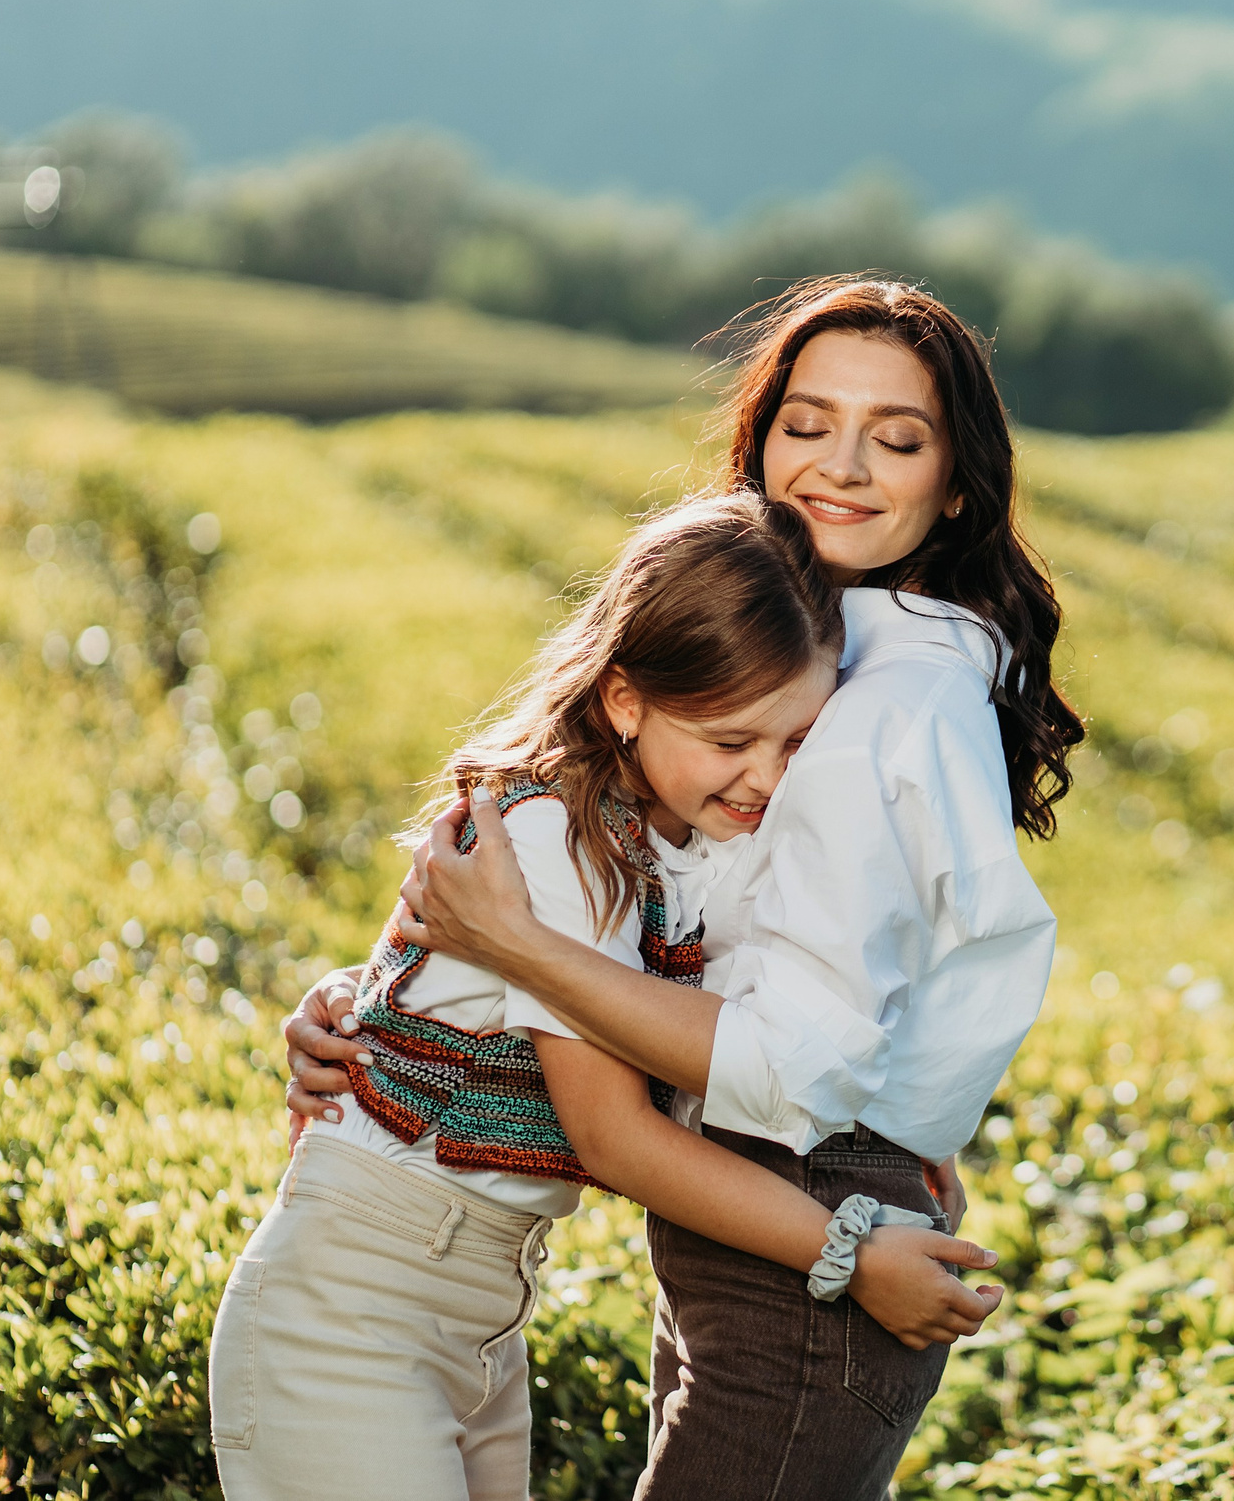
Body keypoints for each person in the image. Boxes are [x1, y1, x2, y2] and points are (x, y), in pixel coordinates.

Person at [282, 278, 1084, 1499]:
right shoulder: (816, 650)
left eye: (896, 439)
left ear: (957, 481)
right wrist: (385, 1002)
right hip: (761, 1208)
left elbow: (788, 1064)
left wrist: (514, 948)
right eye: (806, 424)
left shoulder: (880, 704)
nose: (841, 467)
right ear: (758, 441)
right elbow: (664, 908)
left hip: (801, 1200)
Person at [211, 492, 999, 1501]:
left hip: (476, 1315)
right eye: (730, 741)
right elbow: (615, 1138)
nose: (766, 778)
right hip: (352, 1309)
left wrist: (913, 1120)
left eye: (795, 742)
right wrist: (853, 1249)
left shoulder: (670, 842)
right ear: (625, 700)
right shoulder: (554, 836)